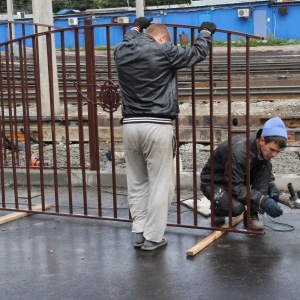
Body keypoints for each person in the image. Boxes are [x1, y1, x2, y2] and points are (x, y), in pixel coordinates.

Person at [114, 18, 216, 250]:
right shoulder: (163, 50)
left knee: (137, 182)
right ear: (162, 38)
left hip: (129, 125)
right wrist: (205, 32)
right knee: (161, 183)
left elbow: (129, 38)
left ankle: (139, 232)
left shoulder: (121, 51)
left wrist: (135, 28)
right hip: (156, 125)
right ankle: (153, 237)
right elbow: (197, 53)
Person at [200, 117, 287, 231]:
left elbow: (262, 171)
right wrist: (262, 201)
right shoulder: (238, 152)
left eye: (278, 152)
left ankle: (251, 214)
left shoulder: (263, 148)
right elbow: (235, 187)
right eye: (272, 150)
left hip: (236, 178)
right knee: (235, 208)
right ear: (261, 140)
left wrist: (271, 187)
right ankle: (217, 209)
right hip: (216, 182)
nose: (275, 155)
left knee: (266, 165)